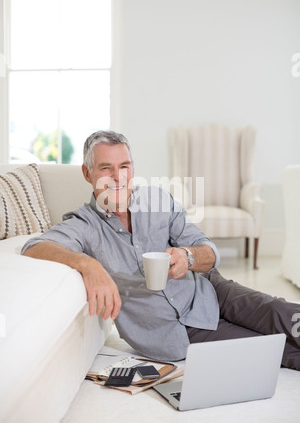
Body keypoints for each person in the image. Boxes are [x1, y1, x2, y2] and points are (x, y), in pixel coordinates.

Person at [22, 130, 300, 370]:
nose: (117, 177)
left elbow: (209, 252)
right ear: (87, 172)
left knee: (281, 313)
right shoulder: (84, 224)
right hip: (173, 331)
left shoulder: (157, 199)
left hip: (209, 290)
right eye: (106, 168)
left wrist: (187, 256)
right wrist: (89, 265)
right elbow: (34, 247)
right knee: (270, 349)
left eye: (125, 166)